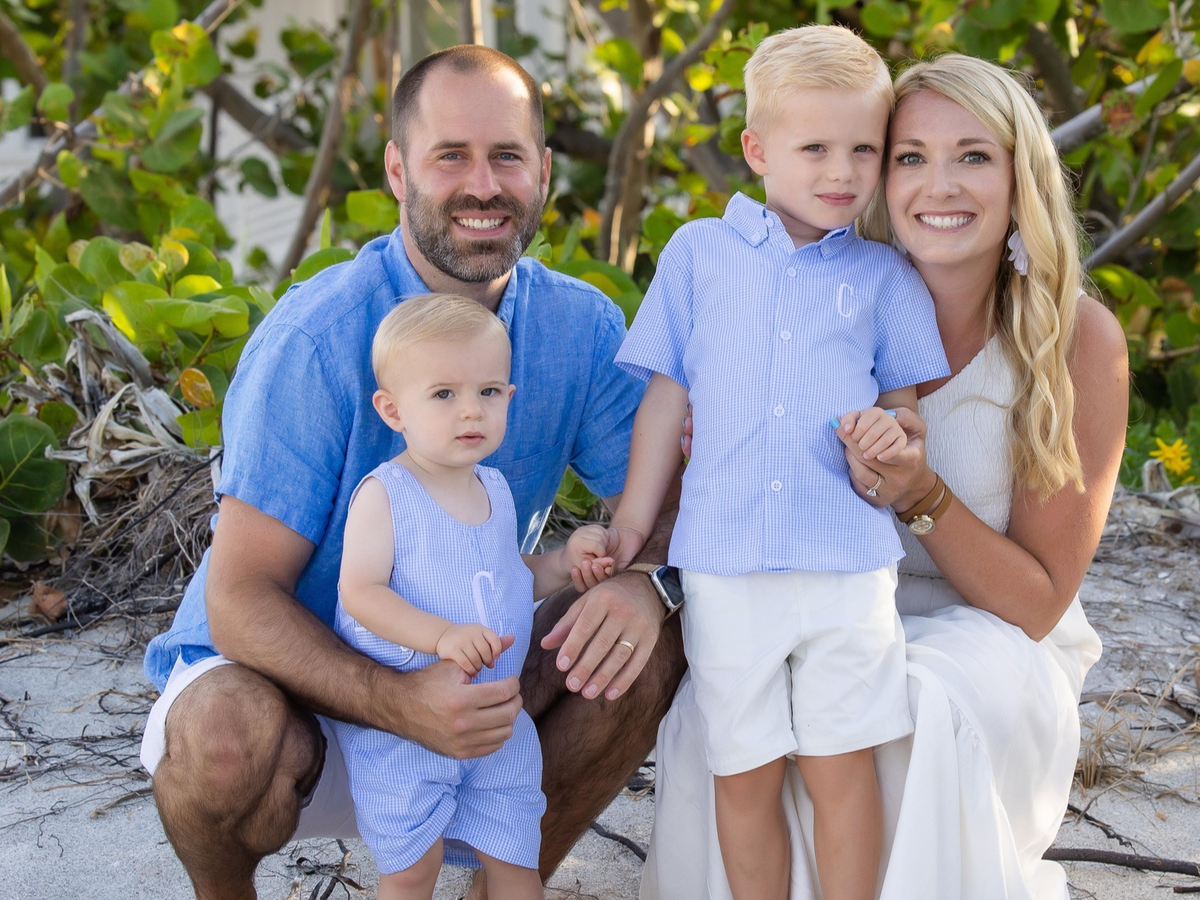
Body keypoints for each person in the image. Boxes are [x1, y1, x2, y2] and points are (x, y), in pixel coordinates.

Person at [136, 44, 686, 900]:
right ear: (398, 170)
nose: (483, 185)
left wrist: (648, 585)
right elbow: (239, 600)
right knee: (222, 737)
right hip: (294, 703)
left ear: (543, 171)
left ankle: (501, 887)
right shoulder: (316, 339)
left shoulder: (579, 328)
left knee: (637, 647)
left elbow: (671, 506)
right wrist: (400, 702)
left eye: (507, 156)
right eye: (450, 156)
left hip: (477, 704)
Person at [641, 53, 1129, 900]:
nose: (940, 184)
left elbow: (1039, 605)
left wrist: (918, 493)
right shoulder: (811, 298)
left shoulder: (1075, 338)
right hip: (829, 596)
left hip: (997, 640)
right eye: (910, 156)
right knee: (721, 721)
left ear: (1020, 176)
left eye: (973, 156)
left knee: (909, 705)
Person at [607, 25, 949, 900]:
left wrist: (891, 438)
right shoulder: (697, 254)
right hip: (726, 564)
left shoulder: (886, 276)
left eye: (863, 149)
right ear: (758, 150)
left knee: (842, 767)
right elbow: (666, 402)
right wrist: (632, 527)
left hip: (847, 567)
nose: (843, 172)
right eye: (815, 149)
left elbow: (906, 417)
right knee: (744, 769)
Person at [333, 294, 617, 899]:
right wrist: (441, 636)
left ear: (509, 396)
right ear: (393, 410)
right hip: (407, 726)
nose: (471, 410)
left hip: (497, 719)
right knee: (413, 868)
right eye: (443, 394)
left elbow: (506, 576)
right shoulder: (386, 495)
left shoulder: (494, 488)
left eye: (488, 392)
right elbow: (360, 593)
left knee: (515, 855)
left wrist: (563, 564)